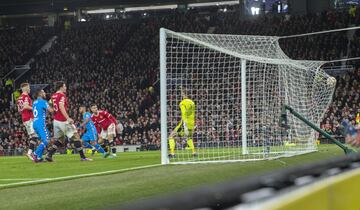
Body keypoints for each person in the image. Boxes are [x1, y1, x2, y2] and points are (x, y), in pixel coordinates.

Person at [46, 81, 92, 161]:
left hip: (56, 121)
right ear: (61, 87)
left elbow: (50, 108)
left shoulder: (53, 96)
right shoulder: (62, 95)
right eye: (65, 86)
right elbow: (61, 106)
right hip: (63, 121)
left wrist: (54, 111)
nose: (66, 88)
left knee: (61, 140)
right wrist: (67, 118)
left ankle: (49, 155)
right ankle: (83, 157)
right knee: (76, 137)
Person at [168, 89, 197, 158]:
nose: (181, 95)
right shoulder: (192, 102)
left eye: (182, 93)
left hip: (185, 123)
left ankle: (172, 153)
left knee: (171, 136)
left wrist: (184, 124)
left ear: (184, 94)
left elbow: (184, 113)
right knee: (188, 137)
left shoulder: (182, 103)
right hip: (192, 123)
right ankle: (194, 152)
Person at [17, 83, 38, 160]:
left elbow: (19, 110)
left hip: (24, 118)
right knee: (35, 136)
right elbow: (26, 106)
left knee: (33, 136)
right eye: (29, 88)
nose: (30, 89)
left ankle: (32, 153)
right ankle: (29, 153)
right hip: (29, 119)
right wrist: (35, 108)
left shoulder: (19, 98)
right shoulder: (26, 97)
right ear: (25, 88)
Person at [31, 89, 53, 162]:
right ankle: (35, 153)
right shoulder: (43, 102)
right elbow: (51, 111)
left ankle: (39, 157)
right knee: (47, 140)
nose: (45, 93)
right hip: (40, 123)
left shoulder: (34, 103)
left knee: (43, 140)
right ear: (40, 94)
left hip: (35, 123)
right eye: (43, 92)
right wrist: (52, 104)